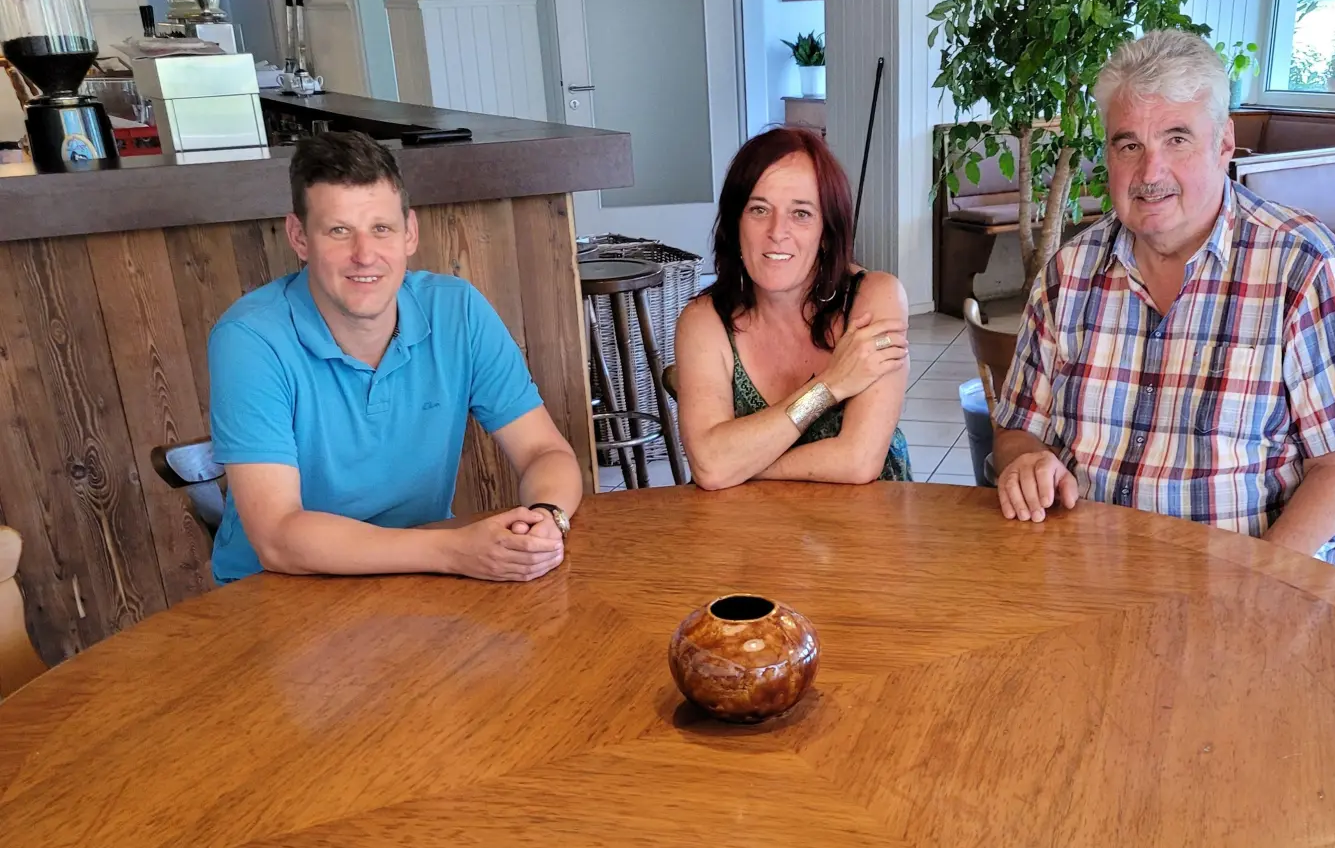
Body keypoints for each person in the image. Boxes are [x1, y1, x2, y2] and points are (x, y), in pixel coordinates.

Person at [991, 29, 1335, 560]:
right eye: (1129, 145)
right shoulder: (1069, 272)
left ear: (1224, 144)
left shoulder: (1303, 266)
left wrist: (1261, 579)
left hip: (1247, 580)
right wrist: (1025, 461)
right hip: (1087, 579)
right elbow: (1017, 430)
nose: (1150, 173)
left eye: (1177, 139)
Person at [206, 131, 583, 584]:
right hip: (281, 591)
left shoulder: (456, 310)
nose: (364, 255)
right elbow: (278, 536)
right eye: (339, 231)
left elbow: (544, 451)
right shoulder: (250, 338)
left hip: (422, 576)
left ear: (410, 234)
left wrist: (547, 517)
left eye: (381, 229)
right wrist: (453, 551)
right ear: (299, 237)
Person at [674, 127, 913, 490]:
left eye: (801, 213)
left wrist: (740, 464)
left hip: (868, 533)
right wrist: (830, 385)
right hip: (751, 536)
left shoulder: (874, 297)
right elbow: (710, 466)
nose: (777, 231)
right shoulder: (704, 321)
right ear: (735, 223)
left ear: (826, 233)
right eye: (759, 209)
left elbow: (858, 461)